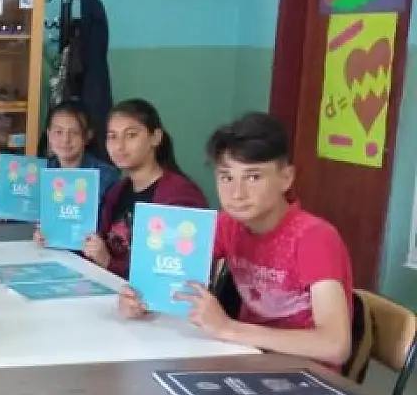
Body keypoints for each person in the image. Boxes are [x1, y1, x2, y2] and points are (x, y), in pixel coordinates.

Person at [118, 113, 354, 368]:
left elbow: (335, 346)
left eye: (253, 177)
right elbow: (169, 274)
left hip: (306, 374)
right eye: (226, 177)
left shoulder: (314, 238)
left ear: (286, 178)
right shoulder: (229, 224)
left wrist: (228, 328)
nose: (237, 194)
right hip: (248, 358)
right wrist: (142, 299)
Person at [81, 98, 207, 278]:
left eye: (131, 135)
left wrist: (109, 262)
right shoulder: (117, 191)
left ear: (155, 137)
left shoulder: (180, 196)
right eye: (112, 136)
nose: (119, 146)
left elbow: (176, 273)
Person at [44, 100, 120, 203]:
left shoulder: (106, 176)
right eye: (58, 132)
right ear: (49, 134)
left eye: (74, 133)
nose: (65, 140)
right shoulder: (41, 171)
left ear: (88, 135)